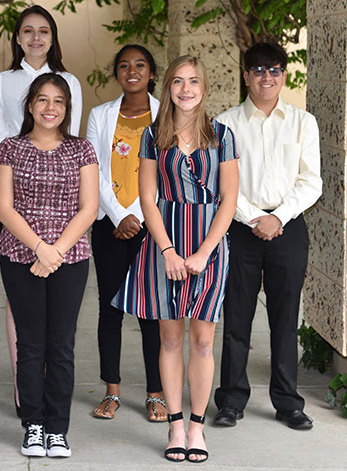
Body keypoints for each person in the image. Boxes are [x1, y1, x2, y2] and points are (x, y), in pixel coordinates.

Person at [113, 55, 239, 463]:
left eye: (193, 82)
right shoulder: (152, 135)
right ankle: (175, 425)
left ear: (204, 88)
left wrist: (204, 252)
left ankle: (198, 429)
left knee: (202, 340)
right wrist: (167, 250)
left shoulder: (223, 135)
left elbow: (229, 199)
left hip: (209, 245)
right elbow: (146, 198)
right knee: (169, 338)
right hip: (163, 244)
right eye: (178, 82)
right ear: (167, 87)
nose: (186, 89)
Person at [213, 42, 322, 431]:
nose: (267, 77)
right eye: (258, 70)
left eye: (275, 70)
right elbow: (222, 182)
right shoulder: (225, 123)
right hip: (239, 228)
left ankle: (288, 402)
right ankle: (231, 399)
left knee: (284, 317)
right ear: (246, 76)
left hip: (288, 226)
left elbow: (311, 182)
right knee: (237, 316)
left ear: (284, 75)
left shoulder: (302, 122)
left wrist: (277, 217)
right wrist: (255, 217)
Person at [0, 73, 98, 458]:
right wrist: (39, 247)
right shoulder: (10, 148)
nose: (50, 107)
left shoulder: (82, 150)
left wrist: (55, 252)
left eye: (58, 101)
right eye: (42, 99)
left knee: (61, 346)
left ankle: (57, 429)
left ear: (67, 108)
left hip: (70, 259)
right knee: (31, 345)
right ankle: (33, 425)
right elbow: (4, 207)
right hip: (20, 257)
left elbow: (89, 208)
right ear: (30, 106)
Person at [0, 4, 83, 415]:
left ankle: (48, 395)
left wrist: (55, 247)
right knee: (21, 306)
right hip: (14, 195)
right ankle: (23, 386)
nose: (35, 38)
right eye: (27, 31)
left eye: (43, 30)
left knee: (58, 327)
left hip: (61, 204)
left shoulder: (69, 81)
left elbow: (69, 135)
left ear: (53, 37)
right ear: (17, 38)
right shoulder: (4, 81)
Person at [86, 44, 167, 421]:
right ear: (115, 73)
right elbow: (95, 169)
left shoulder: (166, 114)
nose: (131, 71)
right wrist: (119, 215)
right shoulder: (100, 115)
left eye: (140, 65)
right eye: (123, 65)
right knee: (110, 309)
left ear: (152, 72)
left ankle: (156, 393)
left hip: (154, 227)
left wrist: (139, 215)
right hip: (110, 226)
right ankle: (112, 391)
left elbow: (166, 169)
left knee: (152, 312)